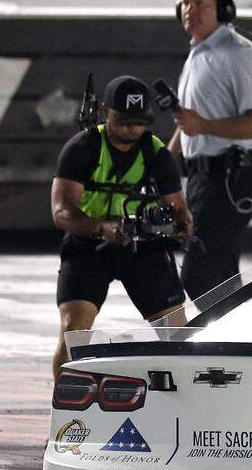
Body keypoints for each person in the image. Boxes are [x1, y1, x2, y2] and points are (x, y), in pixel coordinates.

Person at [51, 75, 192, 379]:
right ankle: (64, 406)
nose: (132, 129)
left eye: (140, 122)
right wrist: (101, 227)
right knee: (72, 332)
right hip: (88, 247)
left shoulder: (156, 154)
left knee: (179, 335)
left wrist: (178, 228)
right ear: (105, 111)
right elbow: (61, 212)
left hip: (142, 249)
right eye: (124, 120)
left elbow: (180, 209)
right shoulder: (83, 148)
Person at [171, 0, 252, 300]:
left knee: (198, 275)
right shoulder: (197, 54)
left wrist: (204, 126)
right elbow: (190, 121)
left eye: (199, 2)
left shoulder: (238, 54)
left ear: (224, 8)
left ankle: (225, 342)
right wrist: (159, 158)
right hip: (201, 177)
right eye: (186, 2)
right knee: (221, 277)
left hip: (230, 178)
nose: (190, 9)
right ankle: (245, 341)